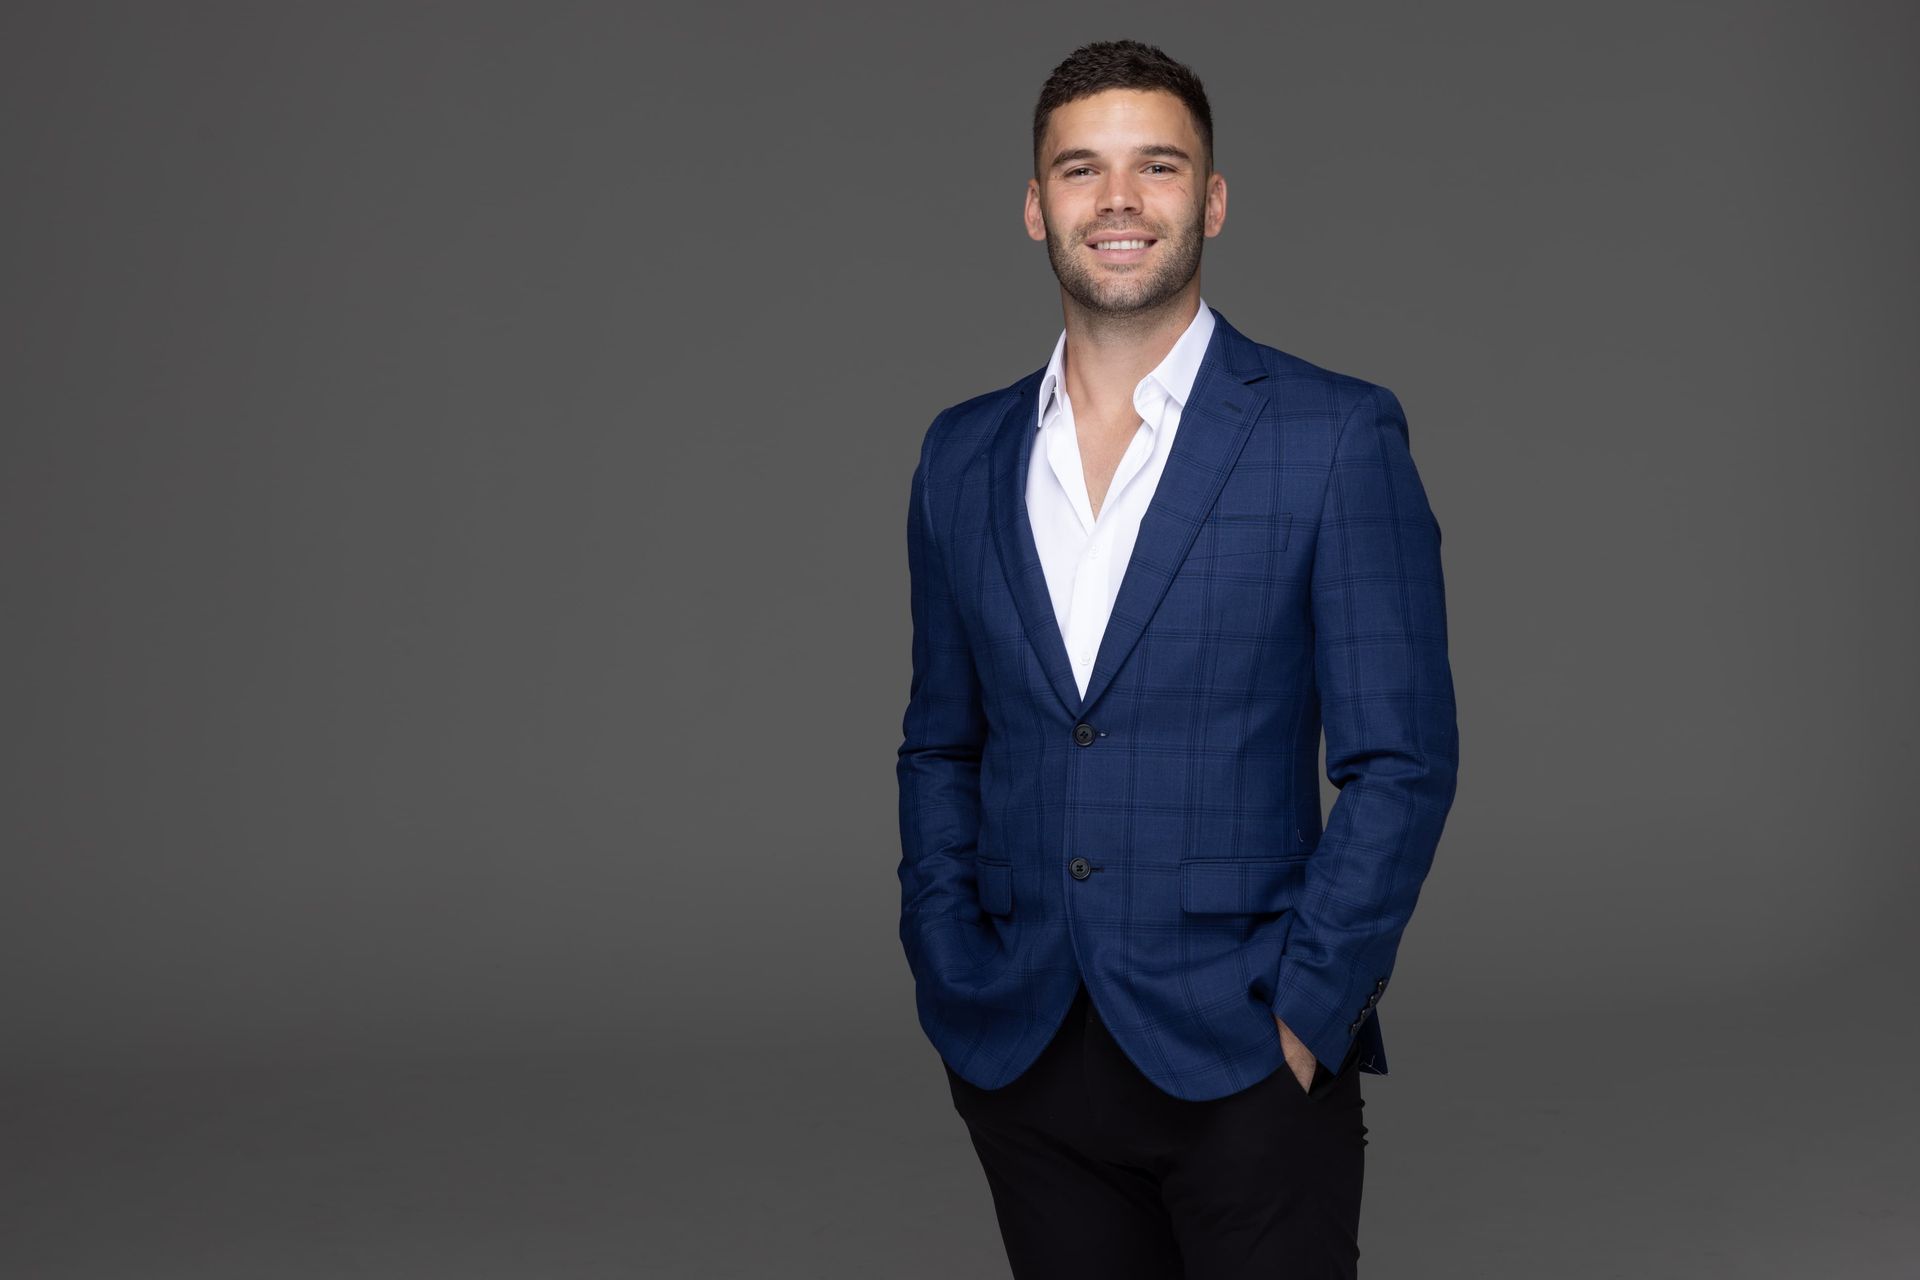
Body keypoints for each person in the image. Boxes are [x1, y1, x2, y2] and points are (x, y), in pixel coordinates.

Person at [895, 38, 1460, 1279]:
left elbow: (1403, 762)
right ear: (1034, 204)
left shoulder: (1331, 435)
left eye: (1157, 166)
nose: (1118, 200)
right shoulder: (962, 455)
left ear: (1210, 199)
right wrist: (948, 957)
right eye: (1081, 169)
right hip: (1024, 1048)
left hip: (1247, 1050)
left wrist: (1308, 1014)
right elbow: (943, 738)